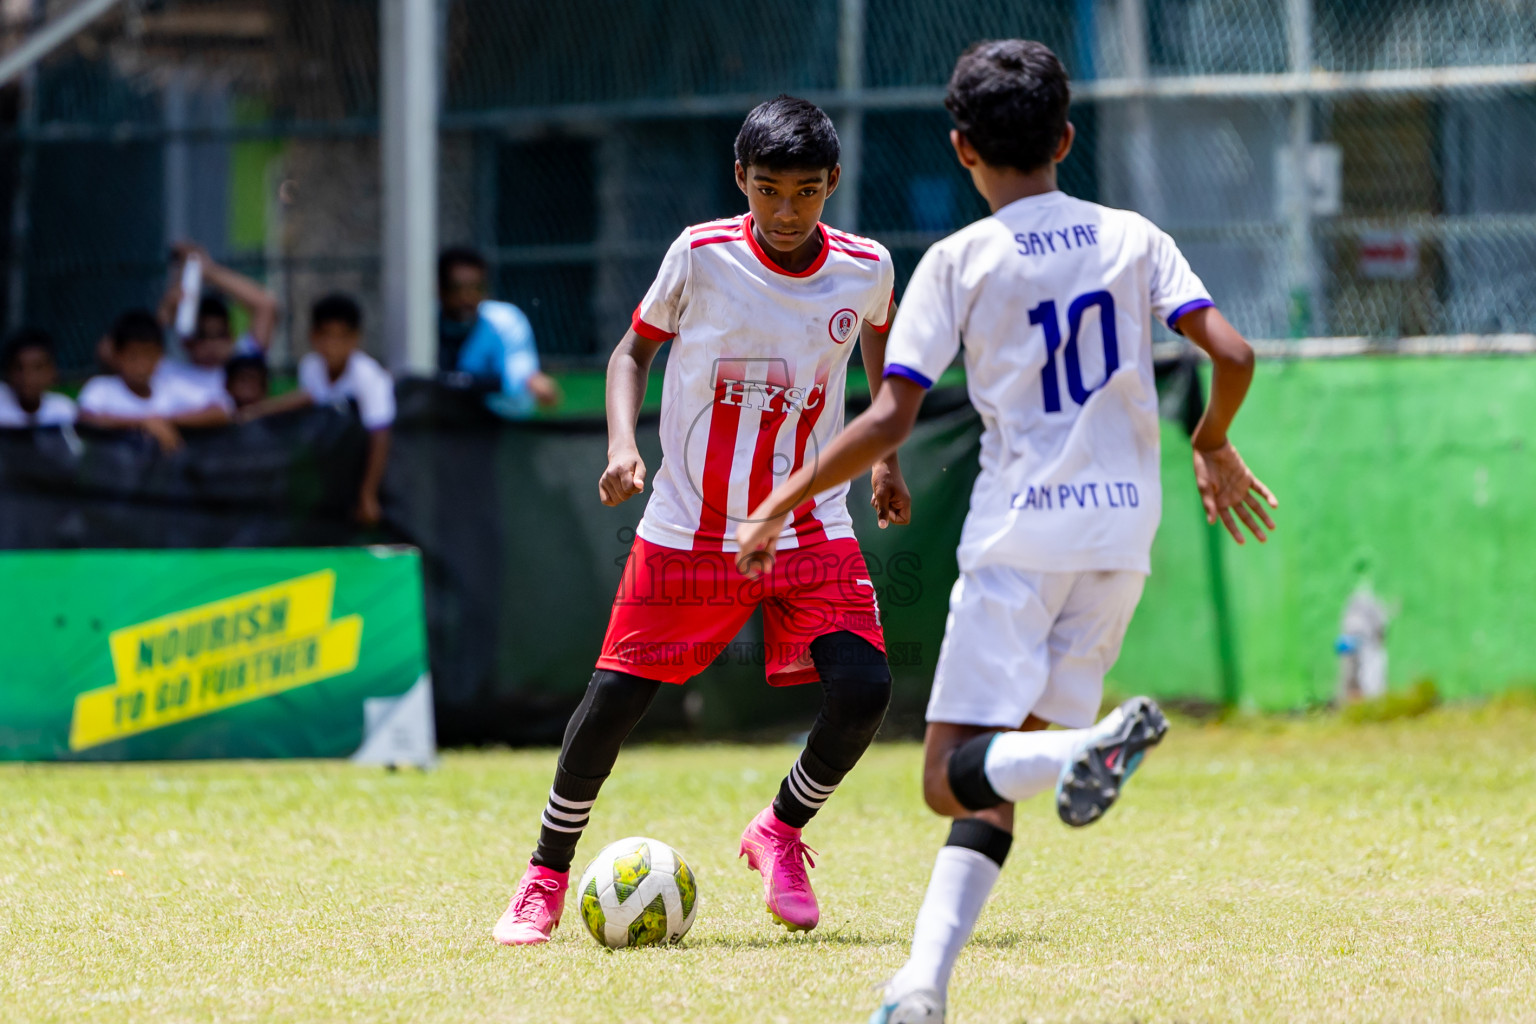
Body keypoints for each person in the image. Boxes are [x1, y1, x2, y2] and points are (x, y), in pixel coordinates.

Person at [731, 42, 1279, 1023]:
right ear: (1067, 138)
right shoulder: (1132, 236)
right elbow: (1231, 351)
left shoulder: (960, 260)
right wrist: (1212, 437)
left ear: (959, 148)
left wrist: (780, 500)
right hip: (1121, 539)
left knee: (948, 777)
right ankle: (920, 988)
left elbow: (892, 416)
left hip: (1019, 538)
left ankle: (1093, 746)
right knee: (999, 777)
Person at [491, 95, 910, 947]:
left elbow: (880, 342)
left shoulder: (866, 266)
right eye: (767, 189)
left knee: (865, 690)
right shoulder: (701, 254)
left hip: (807, 521)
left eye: (805, 191)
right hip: (691, 526)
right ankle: (544, 875)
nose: (786, 210)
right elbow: (631, 351)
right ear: (739, 181)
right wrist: (621, 443)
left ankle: (781, 829)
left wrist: (886, 458)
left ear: (833, 182)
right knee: (612, 704)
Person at [295, 294, 395, 525]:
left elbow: (380, 436)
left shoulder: (368, 375)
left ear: (356, 339)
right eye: (326, 336)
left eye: (342, 337)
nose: (332, 346)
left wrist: (368, 494)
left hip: (367, 472)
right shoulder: (309, 368)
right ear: (313, 337)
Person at [78, 309, 233, 451]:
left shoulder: (169, 388)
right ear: (117, 355)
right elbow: (86, 419)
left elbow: (221, 411)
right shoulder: (101, 388)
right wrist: (143, 423)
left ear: (160, 356)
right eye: (133, 357)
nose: (141, 365)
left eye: (149, 356)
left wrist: (165, 421)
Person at [437, 246, 561, 417]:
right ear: (440, 289)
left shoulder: (505, 320)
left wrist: (530, 380)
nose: (467, 297)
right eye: (457, 288)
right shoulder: (419, 324)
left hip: (491, 425)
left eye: (476, 288)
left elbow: (519, 375)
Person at [153, 242, 280, 407]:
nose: (211, 345)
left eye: (221, 335)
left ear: (232, 336)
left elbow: (266, 306)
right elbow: (115, 351)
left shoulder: (244, 364)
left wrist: (208, 271)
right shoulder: (167, 374)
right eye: (202, 337)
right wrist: (166, 311)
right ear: (186, 341)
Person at [0, 328, 76, 426]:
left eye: (38, 368)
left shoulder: (63, 409)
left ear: (52, 372)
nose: (28, 377)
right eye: (19, 368)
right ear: (8, 371)